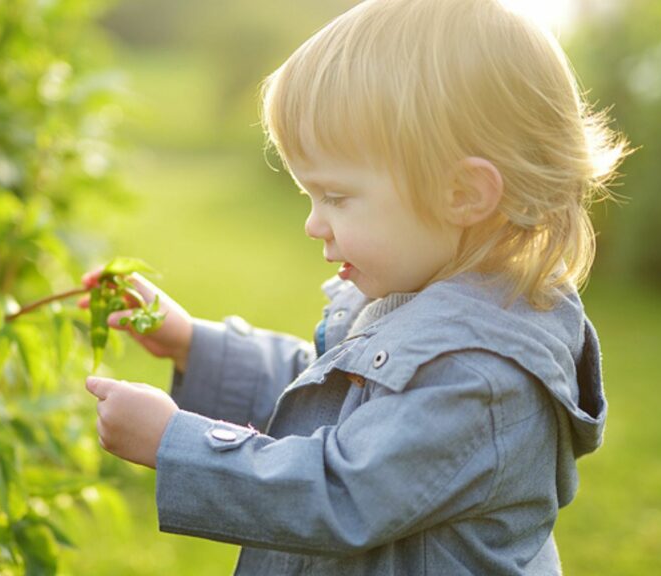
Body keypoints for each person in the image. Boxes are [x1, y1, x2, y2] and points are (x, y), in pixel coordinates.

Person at [82, 0, 626, 573]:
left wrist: (176, 445)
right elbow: (333, 405)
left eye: (336, 198)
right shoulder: (421, 298)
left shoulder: (479, 375)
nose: (314, 224)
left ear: (464, 193)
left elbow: (337, 491)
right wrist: (194, 343)